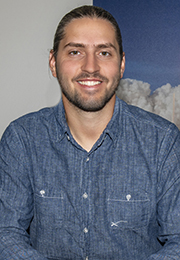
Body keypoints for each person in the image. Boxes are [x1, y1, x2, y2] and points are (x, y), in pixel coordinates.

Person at [0, 5, 180, 260]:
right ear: (53, 63)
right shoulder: (21, 139)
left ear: (121, 64)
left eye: (104, 53)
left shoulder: (163, 142)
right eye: (75, 52)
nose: (91, 66)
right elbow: (6, 233)